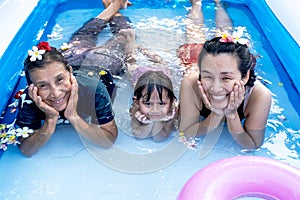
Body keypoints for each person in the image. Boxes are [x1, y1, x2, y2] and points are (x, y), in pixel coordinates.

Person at [15, 0, 131, 157]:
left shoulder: (93, 88)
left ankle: (116, 4)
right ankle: (114, 5)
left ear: (68, 72)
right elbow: (26, 150)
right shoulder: (30, 100)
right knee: (87, 35)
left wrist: (73, 117)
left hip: (97, 65)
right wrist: (50, 121)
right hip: (70, 62)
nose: (56, 93)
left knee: (123, 38)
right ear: (32, 87)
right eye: (43, 86)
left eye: (60, 80)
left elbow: (108, 141)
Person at [178, 0, 272, 149]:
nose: (216, 88)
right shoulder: (191, 84)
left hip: (223, 62)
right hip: (197, 60)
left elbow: (253, 145)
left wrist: (232, 115)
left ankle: (219, 4)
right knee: (194, 34)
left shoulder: (259, 96)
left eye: (226, 78)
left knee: (225, 32)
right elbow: (185, 133)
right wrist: (215, 115)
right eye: (207, 76)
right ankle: (196, 3)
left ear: (245, 76)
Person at [129, 71, 178, 142]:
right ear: (136, 102)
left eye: (161, 103)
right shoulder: (135, 109)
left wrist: (157, 121)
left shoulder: (172, 111)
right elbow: (138, 136)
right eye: (148, 103)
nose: (155, 110)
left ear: (171, 102)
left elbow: (159, 138)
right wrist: (149, 123)